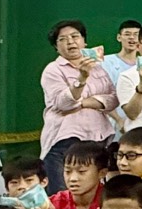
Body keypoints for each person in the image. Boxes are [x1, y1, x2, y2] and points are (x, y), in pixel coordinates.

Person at [39, 20, 118, 190]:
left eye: (75, 37)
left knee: (93, 193)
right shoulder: (53, 70)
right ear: (56, 47)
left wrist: (81, 102)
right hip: (65, 141)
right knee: (63, 195)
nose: (70, 42)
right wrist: (81, 79)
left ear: (84, 42)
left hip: (97, 139)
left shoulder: (97, 68)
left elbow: (113, 99)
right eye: (63, 39)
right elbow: (63, 104)